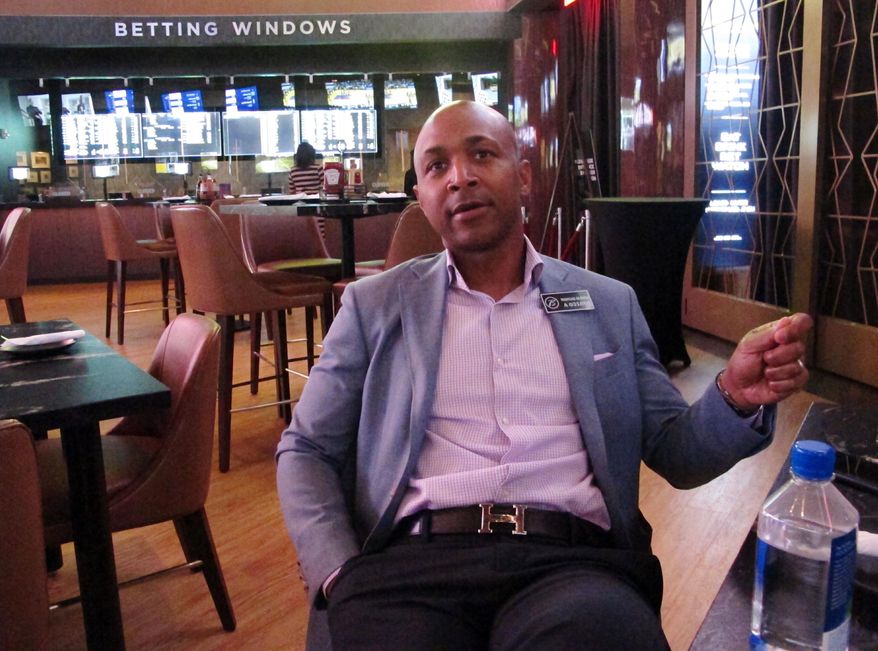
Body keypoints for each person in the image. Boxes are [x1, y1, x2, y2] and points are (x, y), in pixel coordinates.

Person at [276, 100, 812, 650]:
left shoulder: (606, 304)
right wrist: (337, 570)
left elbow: (675, 450)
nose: (460, 177)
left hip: (573, 565)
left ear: (523, 174)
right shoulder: (376, 307)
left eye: (481, 154)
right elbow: (306, 448)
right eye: (436, 167)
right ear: (422, 197)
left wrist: (734, 397)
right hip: (411, 566)